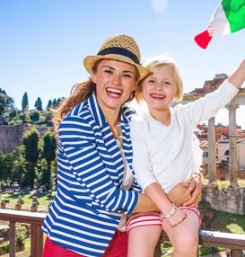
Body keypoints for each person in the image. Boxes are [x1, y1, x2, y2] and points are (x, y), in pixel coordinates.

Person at [41, 34, 202, 257]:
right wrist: (170, 202)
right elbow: (109, 197)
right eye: (109, 71)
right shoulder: (76, 124)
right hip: (74, 244)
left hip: (122, 240)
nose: (116, 82)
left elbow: (167, 155)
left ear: (134, 84)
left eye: (126, 75)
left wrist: (194, 178)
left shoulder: (133, 120)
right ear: (94, 75)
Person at [128, 38, 245, 257]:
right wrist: (168, 209)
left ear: (176, 90)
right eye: (151, 81)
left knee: (186, 241)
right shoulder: (138, 124)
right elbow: (142, 171)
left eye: (166, 82)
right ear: (141, 88)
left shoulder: (184, 115)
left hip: (183, 203)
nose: (158, 87)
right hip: (150, 203)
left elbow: (221, 96)